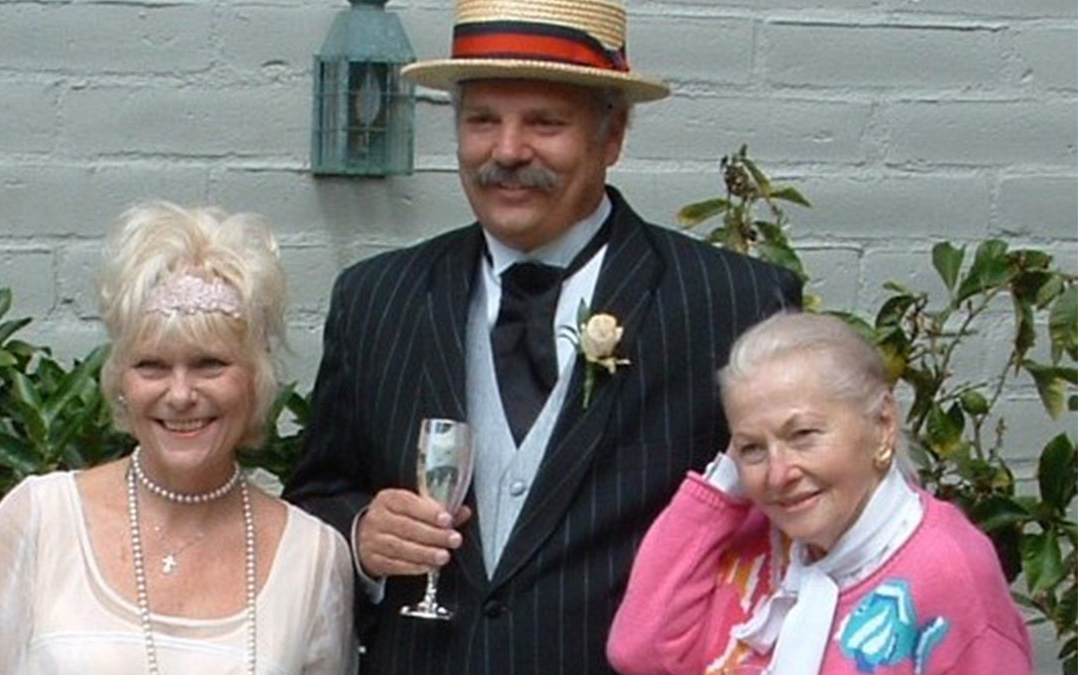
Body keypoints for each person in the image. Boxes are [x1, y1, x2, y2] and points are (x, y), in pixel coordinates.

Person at [283, 0, 802, 672]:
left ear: (610, 137)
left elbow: (788, 526)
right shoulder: (376, 299)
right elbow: (313, 501)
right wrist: (360, 534)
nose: (507, 151)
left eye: (545, 123)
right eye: (482, 122)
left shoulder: (733, 303)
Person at [0, 202, 356, 674]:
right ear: (121, 383)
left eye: (209, 363)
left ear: (255, 378)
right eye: (151, 365)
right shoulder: (41, 519)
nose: (180, 394)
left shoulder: (312, 555)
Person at [606, 312, 1032, 675]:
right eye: (752, 447)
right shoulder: (764, 537)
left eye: (803, 434)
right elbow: (641, 651)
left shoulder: (949, 569)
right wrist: (724, 488)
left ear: (883, 423)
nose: (779, 474)